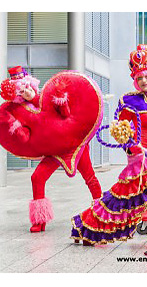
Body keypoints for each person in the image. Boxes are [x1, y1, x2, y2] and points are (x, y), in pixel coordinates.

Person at [70, 45, 147, 250]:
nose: (144, 81)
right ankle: (85, 227)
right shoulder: (129, 102)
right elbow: (123, 134)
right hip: (141, 161)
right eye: (140, 78)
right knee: (122, 203)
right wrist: (136, 150)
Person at [1, 66, 103, 233]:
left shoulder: (47, 96)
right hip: (53, 151)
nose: (26, 92)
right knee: (37, 178)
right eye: (21, 91)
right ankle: (40, 219)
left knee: (89, 176)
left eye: (26, 87)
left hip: (73, 145)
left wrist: (61, 97)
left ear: (31, 84)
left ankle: (102, 209)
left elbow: (65, 114)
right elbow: (24, 136)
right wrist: (19, 130)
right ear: (17, 95)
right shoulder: (20, 111)